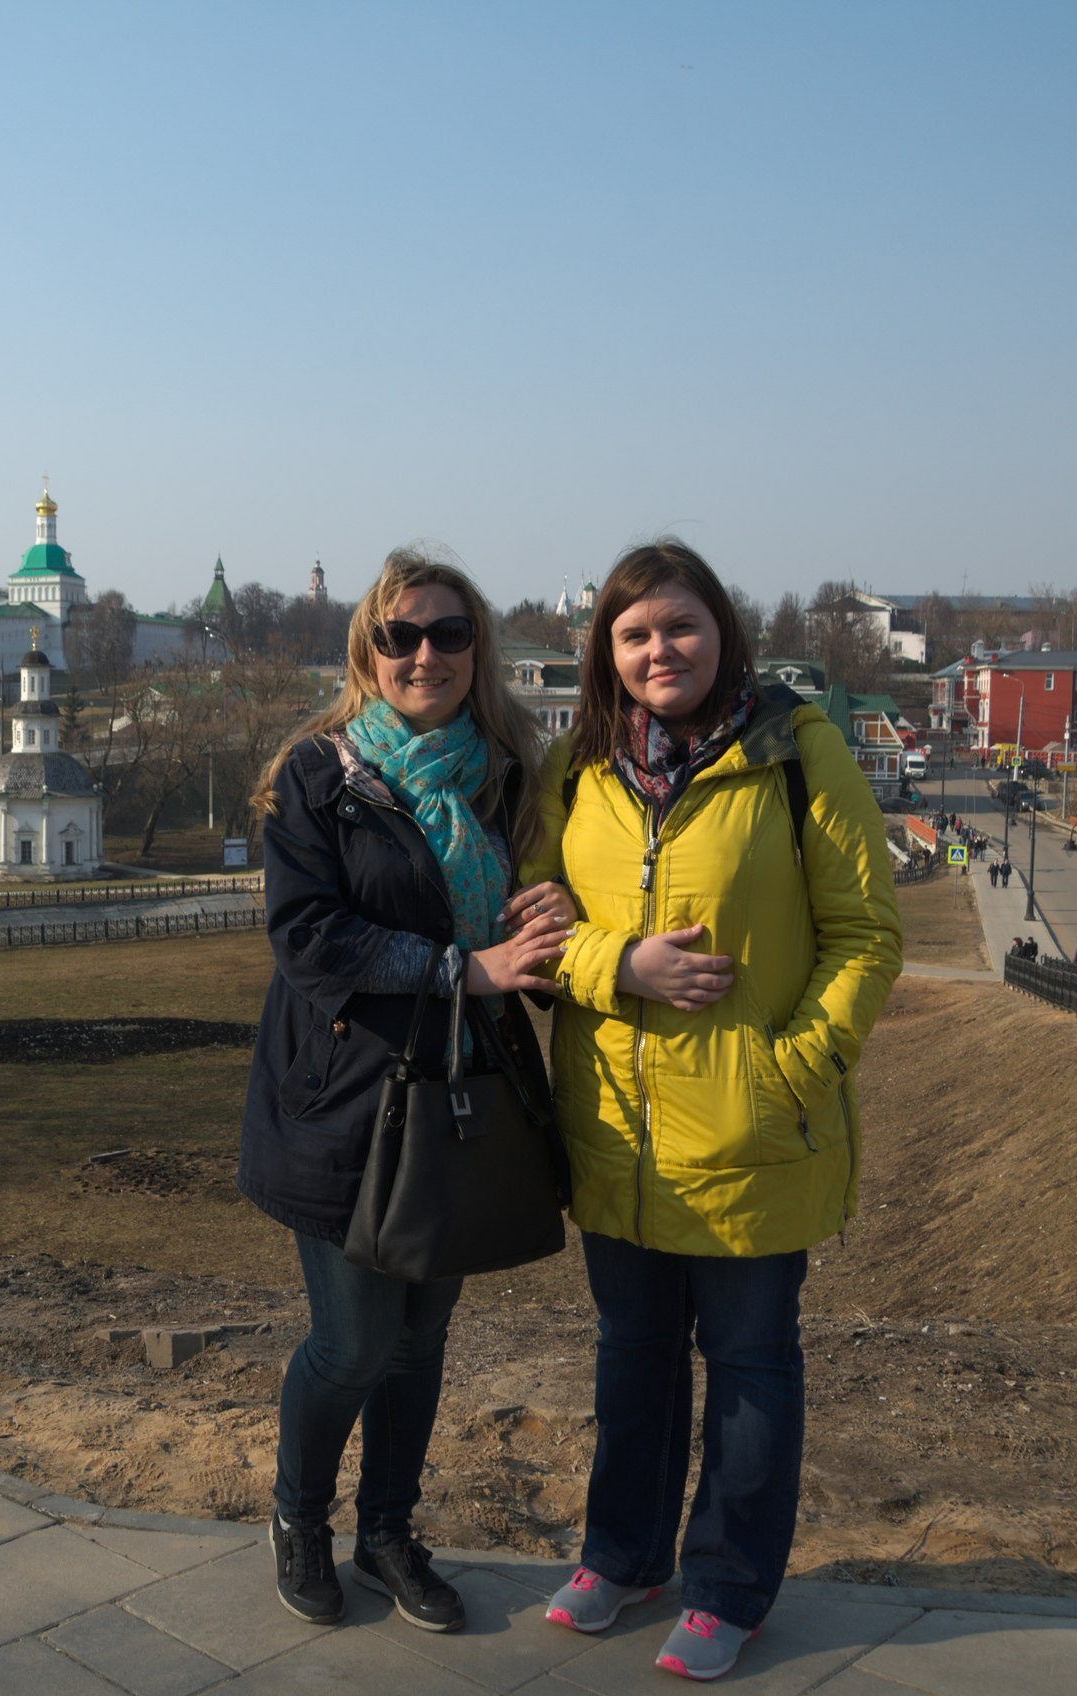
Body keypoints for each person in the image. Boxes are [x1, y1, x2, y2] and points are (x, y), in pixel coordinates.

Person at [522, 542, 901, 1682]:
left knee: (747, 1362)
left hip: (753, 1133)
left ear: (721, 632)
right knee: (630, 1353)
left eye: (678, 627)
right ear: (606, 653)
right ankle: (624, 1552)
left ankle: (730, 1582)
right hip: (617, 1135)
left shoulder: (799, 754)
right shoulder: (578, 767)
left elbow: (868, 937)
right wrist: (618, 964)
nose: (658, 651)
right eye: (633, 634)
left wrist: (788, 1075)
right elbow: (538, 929)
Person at [240, 549, 571, 1636]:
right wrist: (456, 969)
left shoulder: (508, 774)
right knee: (349, 1342)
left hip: (459, 1099)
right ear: (367, 652)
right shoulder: (319, 776)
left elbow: (537, 919)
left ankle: (387, 1531)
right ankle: (300, 1521)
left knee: (421, 1336)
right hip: (343, 1098)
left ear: (478, 650)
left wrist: (550, 917)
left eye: (446, 633)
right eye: (400, 634)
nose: (424, 653)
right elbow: (309, 937)